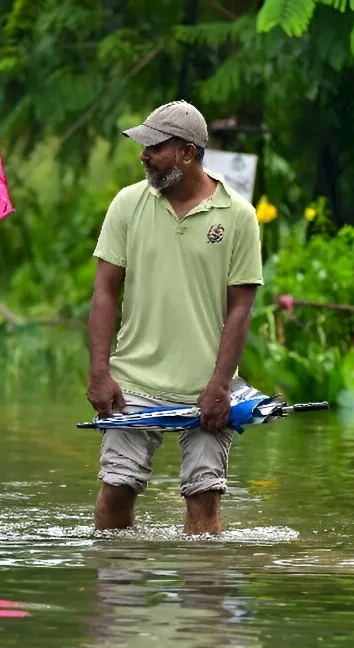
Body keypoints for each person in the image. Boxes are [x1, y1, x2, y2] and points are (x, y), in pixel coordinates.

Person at [87, 100, 264, 536]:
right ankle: (115, 593)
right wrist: (99, 372)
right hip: (134, 383)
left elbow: (241, 307)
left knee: (204, 499)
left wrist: (221, 386)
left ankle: (202, 600)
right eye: (143, 145)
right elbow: (105, 291)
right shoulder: (128, 204)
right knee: (116, 489)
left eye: (155, 146)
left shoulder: (238, 216)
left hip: (206, 387)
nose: (143, 154)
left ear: (188, 152)